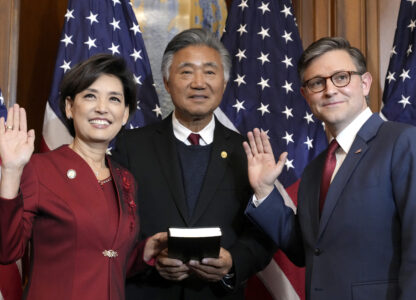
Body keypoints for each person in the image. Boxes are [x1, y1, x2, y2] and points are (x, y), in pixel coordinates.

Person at [244, 36, 416, 300]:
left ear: (365, 83)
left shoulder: (403, 142)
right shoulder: (315, 169)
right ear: (305, 95)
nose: (330, 90)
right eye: (317, 83)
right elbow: (307, 250)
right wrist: (265, 191)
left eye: (341, 77)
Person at [112, 28, 275, 299]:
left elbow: (263, 234)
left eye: (210, 72)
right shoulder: (131, 146)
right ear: (166, 81)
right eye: (186, 72)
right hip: (148, 290)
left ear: (224, 82)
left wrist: (233, 263)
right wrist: (148, 258)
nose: (199, 83)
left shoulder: (247, 152)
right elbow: (112, 225)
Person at [0, 54, 167, 300]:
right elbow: (7, 250)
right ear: (69, 107)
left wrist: (146, 252)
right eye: (90, 96)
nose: (102, 107)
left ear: (124, 114)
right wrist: (12, 171)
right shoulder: (39, 169)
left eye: (114, 99)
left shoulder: (125, 179)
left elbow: (103, 256)